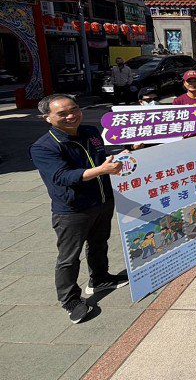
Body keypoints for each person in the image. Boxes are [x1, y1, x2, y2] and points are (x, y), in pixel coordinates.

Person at [29, 94, 128, 323]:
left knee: (98, 242)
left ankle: (100, 278)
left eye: (74, 109)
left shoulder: (91, 133)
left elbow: (100, 158)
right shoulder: (43, 147)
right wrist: (102, 170)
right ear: (48, 118)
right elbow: (62, 176)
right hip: (72, 209)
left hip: (102, 200)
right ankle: (70, 300)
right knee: (69, 257)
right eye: (62, 114)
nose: (71, 116)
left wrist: (119, 157)